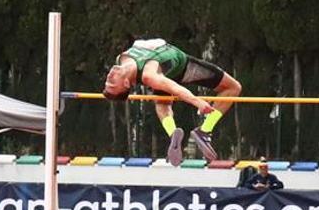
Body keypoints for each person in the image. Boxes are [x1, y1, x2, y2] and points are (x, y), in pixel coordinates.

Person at [103, 38, 242, 166]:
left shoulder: (120, 60)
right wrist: (197, 102)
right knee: (233, 87)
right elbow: (175, 88)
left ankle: (173, 132)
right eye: (112, 83)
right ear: (126, 83)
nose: (109, 76)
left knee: (162, 102)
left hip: (164, 68)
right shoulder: (149, 76)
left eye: (107, 81)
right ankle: (205, 130)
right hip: (183, 68)